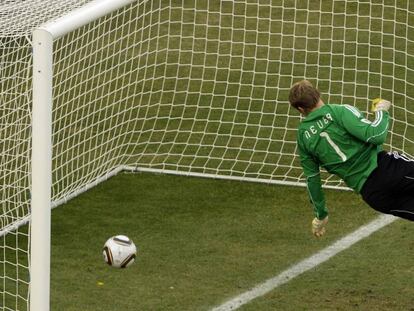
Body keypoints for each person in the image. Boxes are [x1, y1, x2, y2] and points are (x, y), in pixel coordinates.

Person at [288, 80, 414, 238]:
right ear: (317, 93)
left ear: (300, 109)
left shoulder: (302, 138)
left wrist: (321, 215)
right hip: (389, 170)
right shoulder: (339, 111)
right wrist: (382, 111)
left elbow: (312, 180)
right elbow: (375, 135)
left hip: (373, 194)